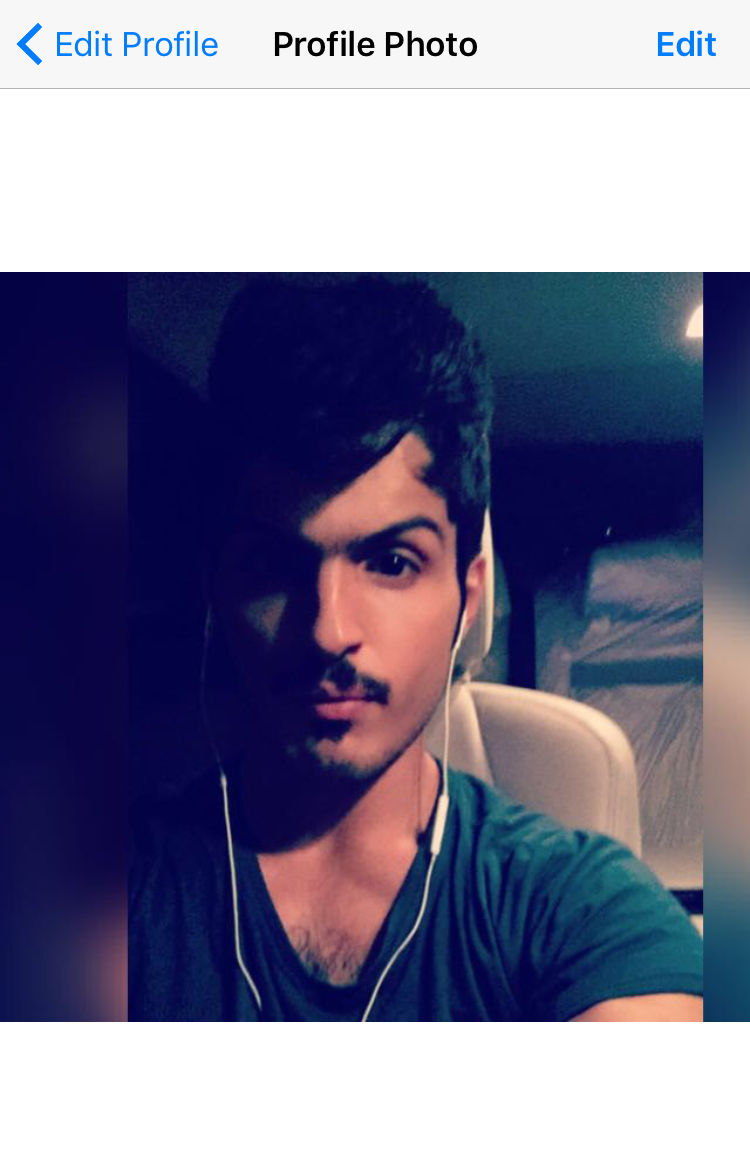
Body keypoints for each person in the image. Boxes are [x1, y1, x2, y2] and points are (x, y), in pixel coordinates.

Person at [129, 275, 703, 1021]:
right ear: (217, 588)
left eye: (392, 562)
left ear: (469, 592)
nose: (329, 630)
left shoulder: (581, 910)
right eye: (272, 565)